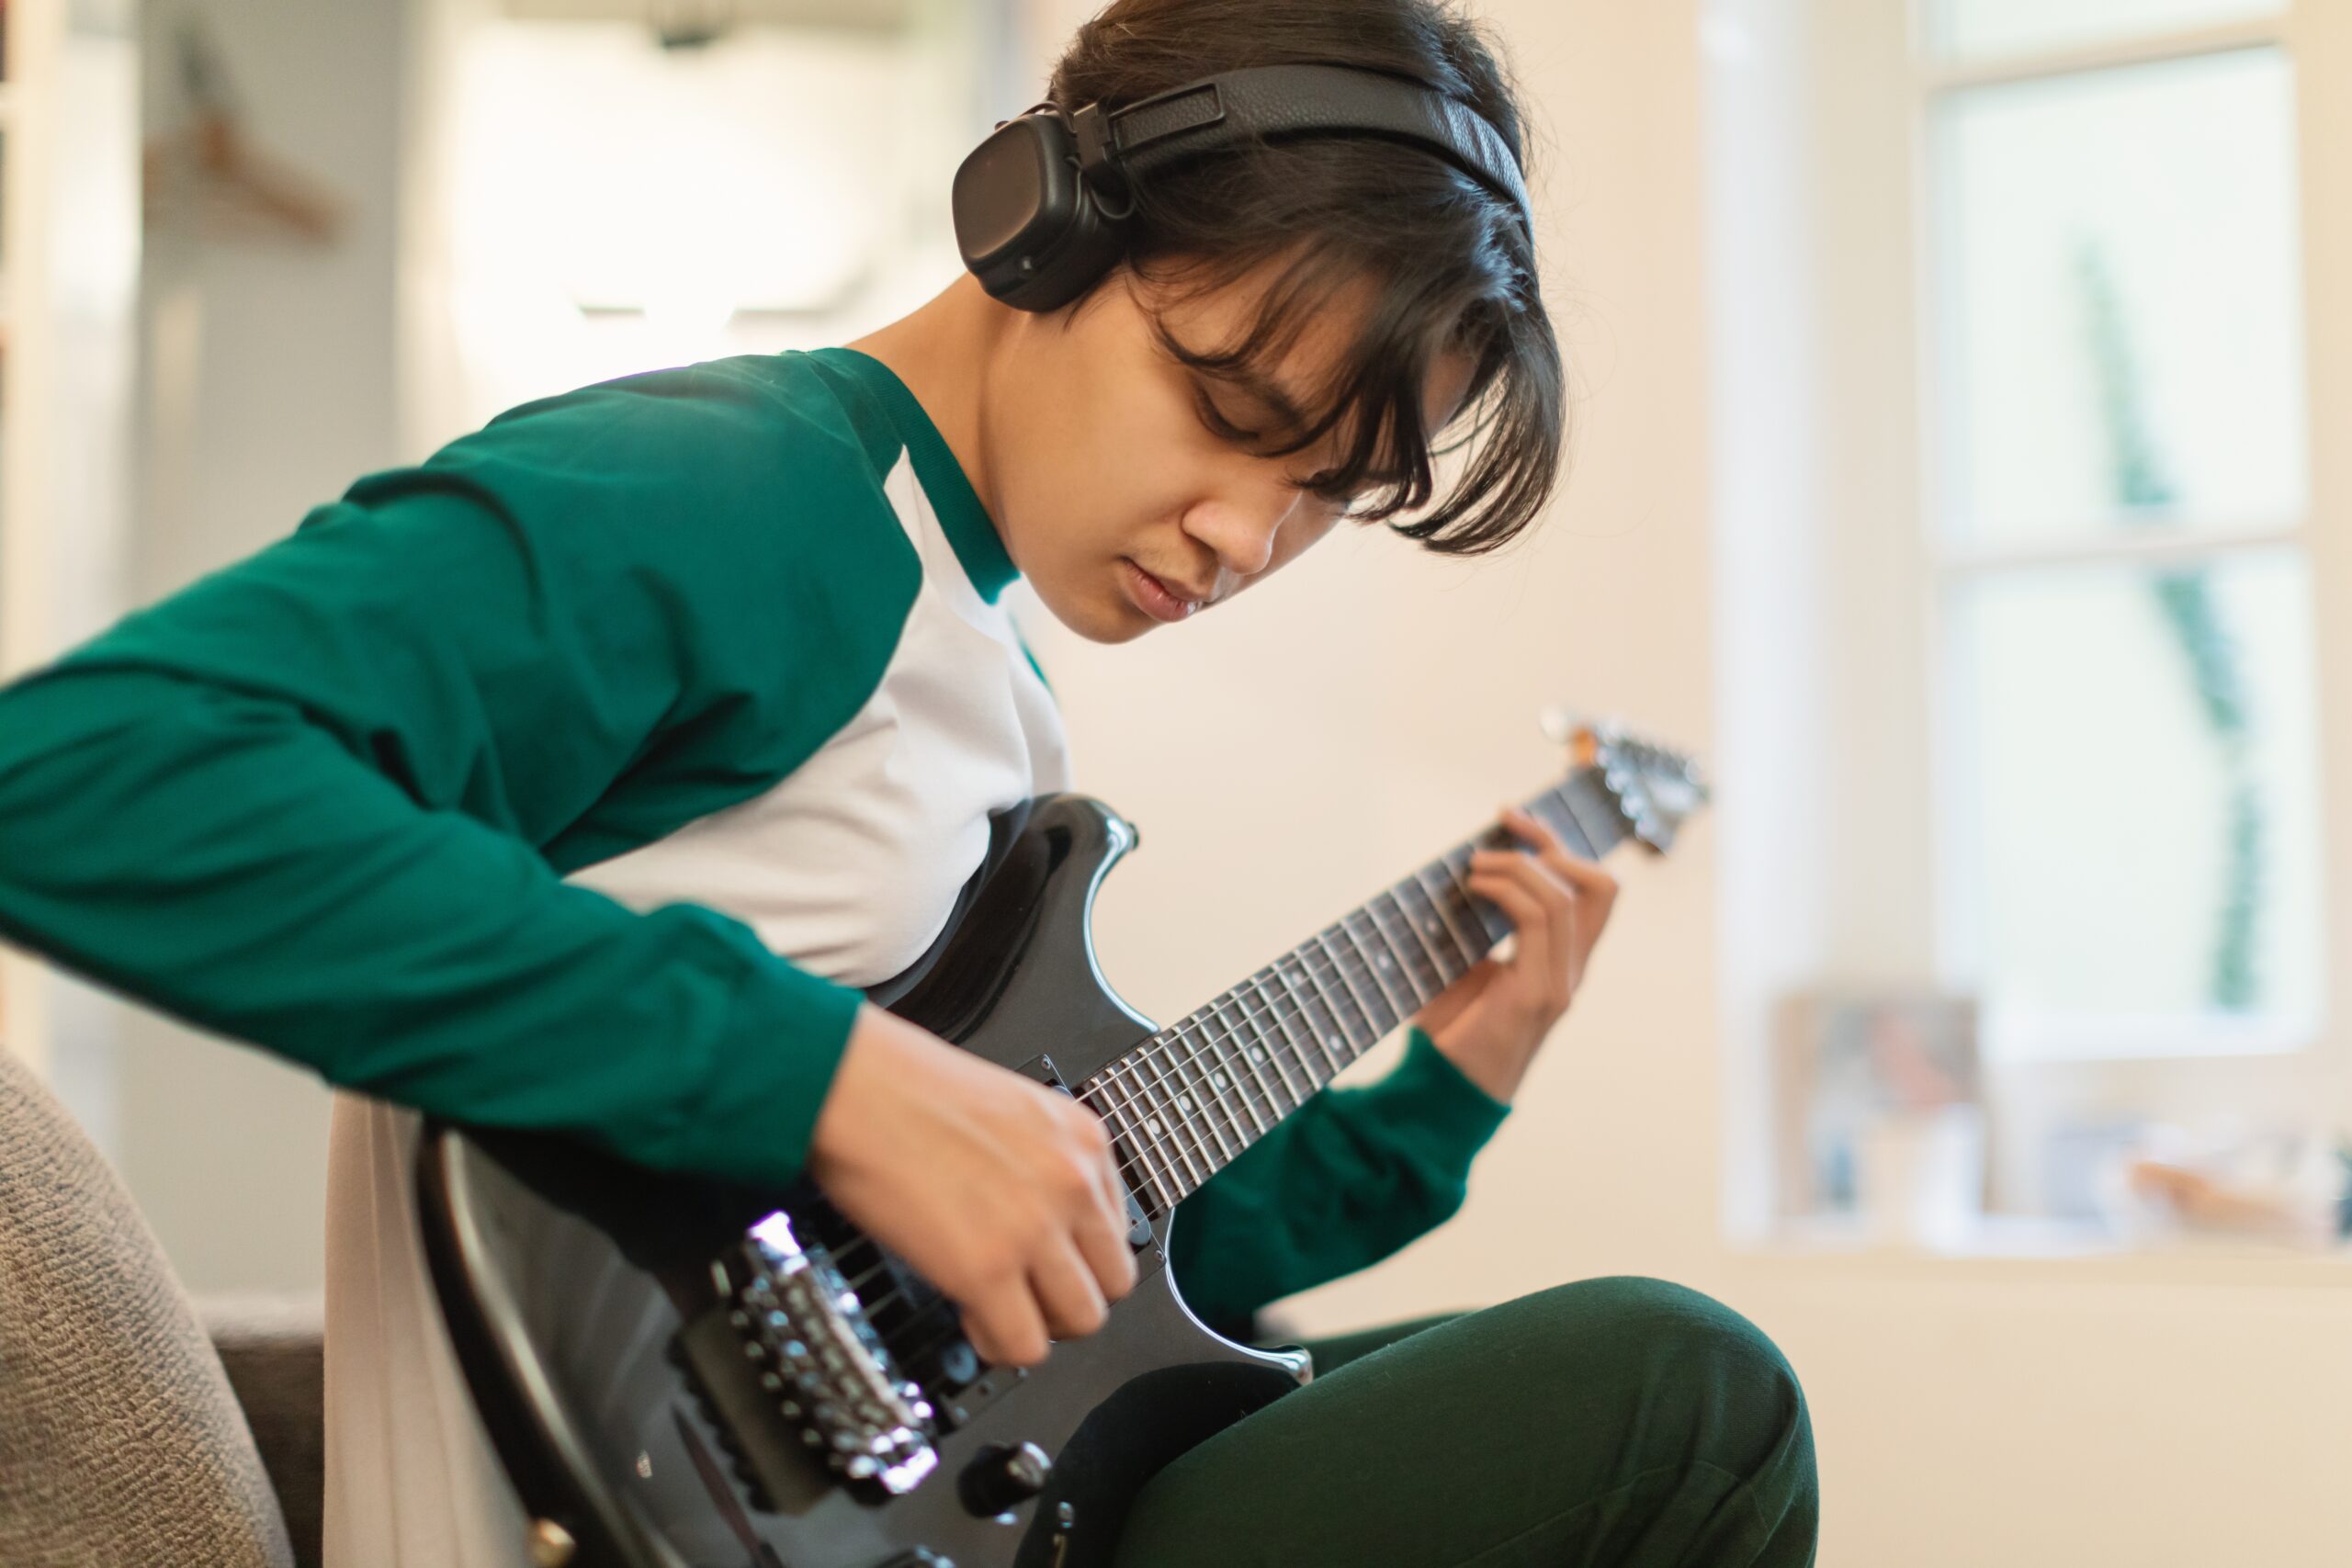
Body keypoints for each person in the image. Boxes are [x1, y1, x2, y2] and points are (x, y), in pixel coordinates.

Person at [0, 0, 1817, 1563]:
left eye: (1323, 495)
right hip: (652, 1509)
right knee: (1681, 1391)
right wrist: (828, 1076)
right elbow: (83, 769)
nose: (1244, 534)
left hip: (927, 1496)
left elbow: (1079, 1278)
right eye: (1227, 408)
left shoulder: (982, 665)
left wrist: (1447, 1084)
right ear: (1043, 228)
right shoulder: (738, 494)